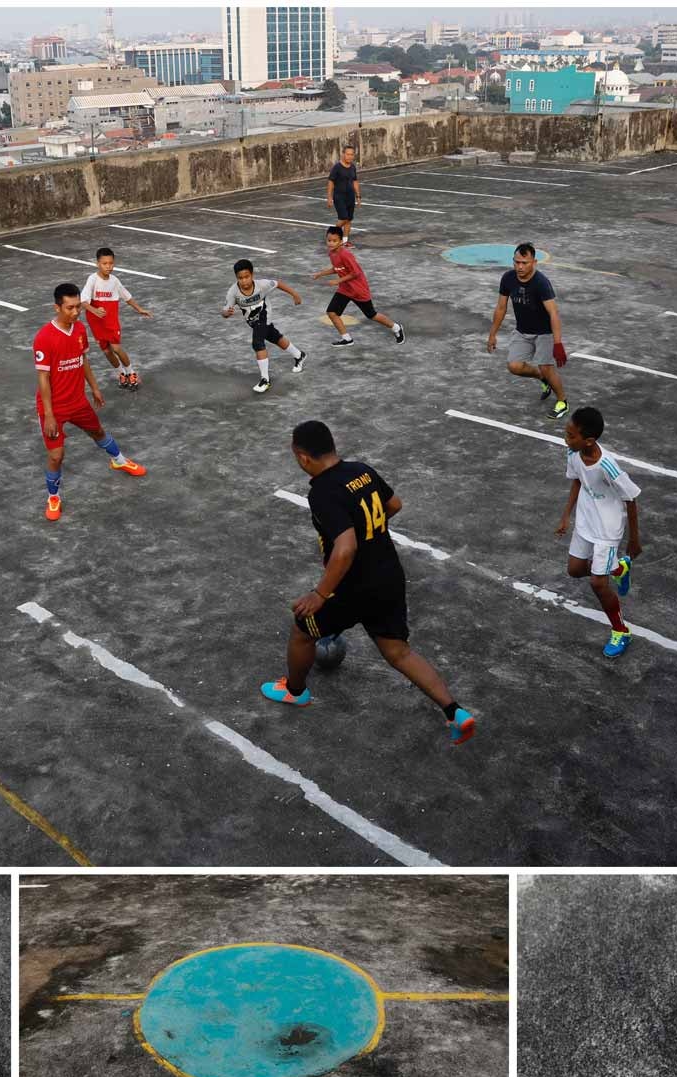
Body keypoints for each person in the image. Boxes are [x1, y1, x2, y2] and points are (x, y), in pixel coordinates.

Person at [261, 419, 476, 747]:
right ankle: (455, 711)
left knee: (302, 630)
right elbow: (394, 505)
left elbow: (345, 548)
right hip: (388, 575)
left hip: (353, 587)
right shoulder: (361, 470)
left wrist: (320, 594)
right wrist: (367, 528)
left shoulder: (322, 491)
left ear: (303, 457)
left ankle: (294, 691)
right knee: (399, 652)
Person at [32, 282, 146, 522]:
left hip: (78, 401)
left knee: (98, 431)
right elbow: (43, 378)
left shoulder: (80, 330)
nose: (75, 312)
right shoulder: (44, 338)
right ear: (57, 308)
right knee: (56, 456)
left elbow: (82, 360)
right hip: (53, 407)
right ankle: (54, 497)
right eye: (70, 308)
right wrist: (50, 415)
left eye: (78, 308)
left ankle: (119, 461)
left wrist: (94, 388)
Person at [555, 407, 643, 658]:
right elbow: (576, 481)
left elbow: (631, 498)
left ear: (589, 440)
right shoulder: (573, 453)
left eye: (571, 436)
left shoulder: (608, 466)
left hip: (607, 528)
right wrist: (566, 516)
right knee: (574, 570)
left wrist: (634, 540)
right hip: (586, 521)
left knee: (597, 582)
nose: (566, 439)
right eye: (566, 433)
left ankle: (621, 630)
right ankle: (618, 569)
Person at [486, 242, 570, 419]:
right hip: (523, 331)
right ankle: (542, 378)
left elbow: (553, 312)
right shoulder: (508, 278)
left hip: (544, 332)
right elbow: (501, 308)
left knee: (546, 366)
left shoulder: (541, 283)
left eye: (525, 263)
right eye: (517, 262)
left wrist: (558, 343)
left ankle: (562, 401)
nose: (520, 267)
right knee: (514, 366)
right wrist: (492, 334)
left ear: (534, 262)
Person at [311, 225, 405, 347]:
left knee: (371, 315)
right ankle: (347, 338)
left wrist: (338, 281)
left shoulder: (345, 254)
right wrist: (321, 273)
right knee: (332, 312)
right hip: (345, 289)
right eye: (329, 240)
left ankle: (396, 328)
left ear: (340, 241)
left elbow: (355, 273)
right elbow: (338, 268)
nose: (331, 243)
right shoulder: (332, 253)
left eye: (334, 241)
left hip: (358, 290)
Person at [221, 259, 306, 393]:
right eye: (240, 278)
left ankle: (265, 380)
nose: (244, 281)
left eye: (247, 277)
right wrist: (227, 313)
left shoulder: (262, 285)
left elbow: (278, 284)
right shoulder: (233, 292)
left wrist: (295, 294)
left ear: (252, 275)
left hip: (264, 315)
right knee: (274, 337)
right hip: (252, 321)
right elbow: (224, 312)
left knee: (257, 342)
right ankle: (299, 355)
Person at [80, 247, 153, 389]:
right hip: (96, 323)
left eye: (111, 263)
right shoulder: (92, 279)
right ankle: (121, 373)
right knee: (106, 351)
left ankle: (131, 373)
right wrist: (94, 310)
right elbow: (83, 302)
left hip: (111, 321)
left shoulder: (114, 281)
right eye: (104, 263)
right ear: (97, 264)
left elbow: (127, 296)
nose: (108, 266)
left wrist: (139, 309)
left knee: (116, 348)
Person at [327, 144, 360, 240]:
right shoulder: (337, 167)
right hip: (339, 197)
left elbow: (355, 181)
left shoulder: (353, 167)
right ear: (343, 154)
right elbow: (330, 182)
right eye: (348, 154)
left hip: (350, 197)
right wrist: (329, 197)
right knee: (344, 218)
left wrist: (358, 196)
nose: (350, 156)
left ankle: (344, 242)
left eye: (352, 154)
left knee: (349, 220)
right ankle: (332, 233)